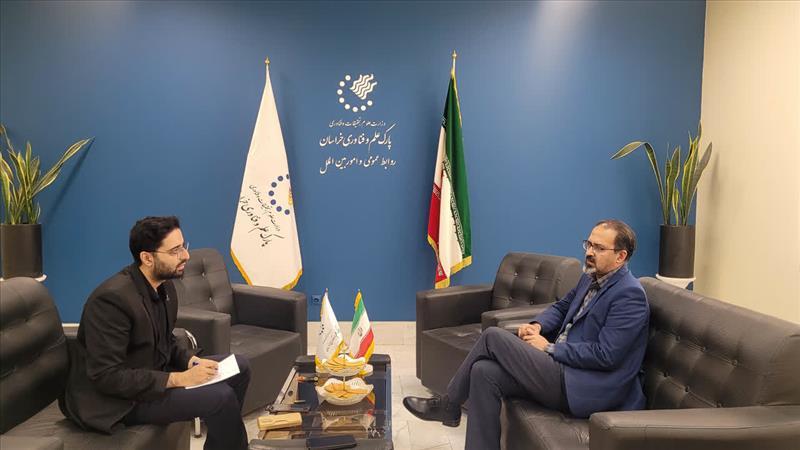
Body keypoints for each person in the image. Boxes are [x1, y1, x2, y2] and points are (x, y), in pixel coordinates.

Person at [403, 219, 650, 450]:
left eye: (599, 248)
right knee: (483, 372)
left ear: (620, 256)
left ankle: (449, 405)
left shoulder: (629, 295)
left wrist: (549, 348)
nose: (589, 252)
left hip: (584, 385)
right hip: (560, 369)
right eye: (589, 244)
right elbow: (561, 307)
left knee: (493, 336)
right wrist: (537, 325)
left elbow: (606, 355)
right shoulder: (590, 277)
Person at [63, 216, 251, 450]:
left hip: (151, 375)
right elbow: (107, 376)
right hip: (120, 400)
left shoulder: (164, 285)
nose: (186, 255)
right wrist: (179, 379)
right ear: (147, 258)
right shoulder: (111, 300)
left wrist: (190, 361)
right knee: (220, 397)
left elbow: (165, 340)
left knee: (240, 366)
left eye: (183, 246)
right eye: (175, 251)